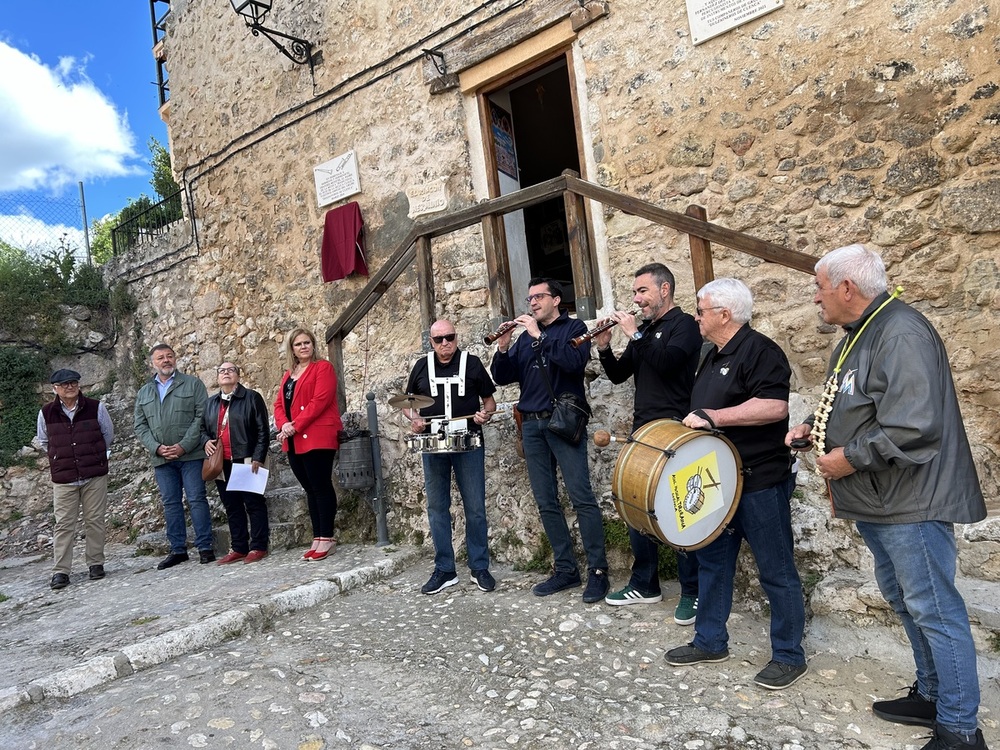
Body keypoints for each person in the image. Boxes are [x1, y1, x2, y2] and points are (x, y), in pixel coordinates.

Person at [786, 244, 989, 750]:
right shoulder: (861, 332)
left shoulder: (899, 331)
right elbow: (858, 402)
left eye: (819, 286)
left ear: (847, 289)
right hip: (882, 499)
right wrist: (814, 427)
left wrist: (847, 458)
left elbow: (915, 424)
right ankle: (932, 695)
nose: (815, 297)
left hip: (910, 501)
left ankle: (961, 730)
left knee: (935, 610)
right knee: (906, 600)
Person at [664, 278, 807, 692]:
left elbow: (774, 406)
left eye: (701, 310)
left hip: (759, 480)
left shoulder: (761, 351)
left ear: (724, 315)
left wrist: (715, 417)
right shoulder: (712, 354)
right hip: (715, 480)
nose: (696, 317)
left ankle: (788, 656)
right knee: (713, 564)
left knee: (777, 571)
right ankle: (710, 641)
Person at [490, 277, 610, 603]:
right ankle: (566, 570)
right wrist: (503, 347)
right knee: (546, 501)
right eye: (529, 298)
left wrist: (538, 335)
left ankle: (598, 572)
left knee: (581, 496)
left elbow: (573, 363)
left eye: (539, 297)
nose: (532, 303)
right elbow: (502, 377)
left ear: (556, 299)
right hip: (531, 425)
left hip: (563, 423)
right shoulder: (525, 339)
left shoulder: (574, 329)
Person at [594, 263, 702, 623]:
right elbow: (619, 374)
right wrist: (606, 347)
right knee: (633, 501)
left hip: (675, 427)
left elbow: (669, 364)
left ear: (665, 290)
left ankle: (693, 591)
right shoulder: (646, 330)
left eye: (643, 291)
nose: (637, 299)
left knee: (681, 510)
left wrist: (634, 334)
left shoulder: (684, 325)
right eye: (636, 293)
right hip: (643, 428)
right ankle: (645, 583)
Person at [404, 320, 498, 594]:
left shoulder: (472, 363)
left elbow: (489, 402)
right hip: (434, 445)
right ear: (431, 342)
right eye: (438, 339)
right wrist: (415, 419)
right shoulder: (421, 366)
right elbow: (409, 405)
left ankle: (480, 567)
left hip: (468, 442)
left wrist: (485, 415)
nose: (445, 343)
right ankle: (445, 570)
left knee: (475, 507)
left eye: (450, 337)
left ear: (457, 337)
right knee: (436, 508)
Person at [134, 344, 215, 569]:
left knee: (196, 499)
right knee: (170, 503)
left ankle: (205, 547)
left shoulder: (193, 384)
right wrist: (157, 448)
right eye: (160, 358)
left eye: (169, 356)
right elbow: (140, 426)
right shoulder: (144, 392)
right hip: (162, 459)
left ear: (175, 359)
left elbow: (202, 417)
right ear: (153, 363)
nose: (166, 360)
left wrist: (183, 446)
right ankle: (178, 550)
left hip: (191, 455)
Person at [36, 369, 115, 590]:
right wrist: (61, 457)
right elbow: (44, 441)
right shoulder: (46, 413)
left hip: (94, 476)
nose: (69, 387)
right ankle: (61, 571)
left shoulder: (96, 407)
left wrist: (94, 455)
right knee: (63, 525)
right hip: (64, 478)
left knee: (95, 520)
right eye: (64, 384)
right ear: (55, 389)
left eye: (73, 383)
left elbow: (107, 434)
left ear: (79, 385)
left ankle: (96, 564)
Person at [274, 327, 344, 561]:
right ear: (291, 349)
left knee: (321, 485)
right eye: (298, 344)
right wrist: (283, 424)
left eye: (307, 342)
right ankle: (318, 537)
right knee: (309, 488)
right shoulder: (288, 374)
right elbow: (278, 405)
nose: (304, 347)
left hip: (317, 436)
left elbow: (320, 401)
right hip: (295, 440)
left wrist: (295, 425)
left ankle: (327, 537)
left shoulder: (323, 368)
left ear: (313, 345)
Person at [201, 362, 271, 565]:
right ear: (217, 378)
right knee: (232, 506)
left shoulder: (252, 398)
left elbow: (262, 430)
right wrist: (206, 441)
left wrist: (258, 456)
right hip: (222, 463)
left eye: (230, 370)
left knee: (253, 504)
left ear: (238, 376)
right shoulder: (211, 403)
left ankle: (258, 546)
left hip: (247, 459)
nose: (225, 373)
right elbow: (202, 429)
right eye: (221, 371)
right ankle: (239, 547)